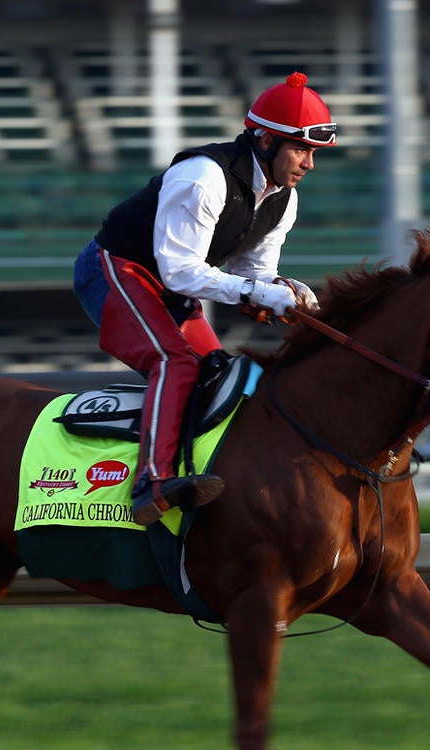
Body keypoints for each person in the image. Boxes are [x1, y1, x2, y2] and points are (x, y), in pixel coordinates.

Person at [73, 72, 337, 526]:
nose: (308, 164)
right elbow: (180, 271)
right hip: (118, 269)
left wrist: (284, 290)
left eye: (312, 152)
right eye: (301, 149)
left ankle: (204, 474)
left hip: (170, 285)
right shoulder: (202, 177)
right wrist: (257, 292)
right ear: (266, 141)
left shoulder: (284, 199)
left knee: (222, 375)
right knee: (174, 362)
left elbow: (252, 273)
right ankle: (151, 484)